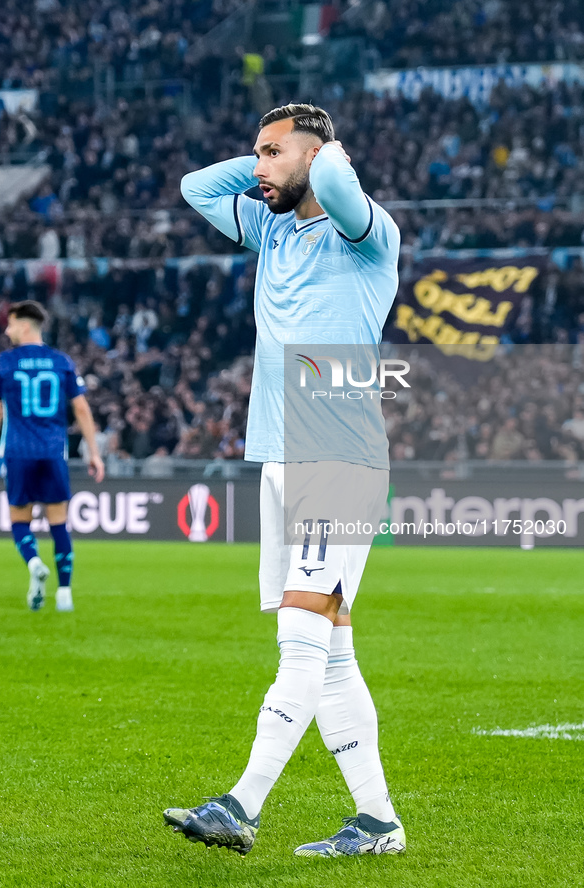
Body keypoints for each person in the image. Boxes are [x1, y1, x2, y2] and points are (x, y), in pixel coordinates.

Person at [164, 104, 404, 857]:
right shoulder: (271, 227)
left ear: (317, 155)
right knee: (330, 655)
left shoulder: (365, 233)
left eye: (271, 154)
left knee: (298, 643)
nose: (257, 167)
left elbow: (330, 175)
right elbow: (195, 186)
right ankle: (377, 822)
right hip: (279, 453)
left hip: (335, 456)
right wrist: (270, 160)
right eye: (255, 154)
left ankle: (241, 803)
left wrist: (311, 151)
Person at [0, 300, 105, 611]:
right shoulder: (61, 361)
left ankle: (33, 564)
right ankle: (65, 594)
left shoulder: (3, 363)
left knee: (19, 520)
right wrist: (94, 453)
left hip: (17, 452)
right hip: (53, 451)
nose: (7, 329)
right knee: (59, 523)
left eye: (11, 323)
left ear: (25, 326)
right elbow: (81, 407)